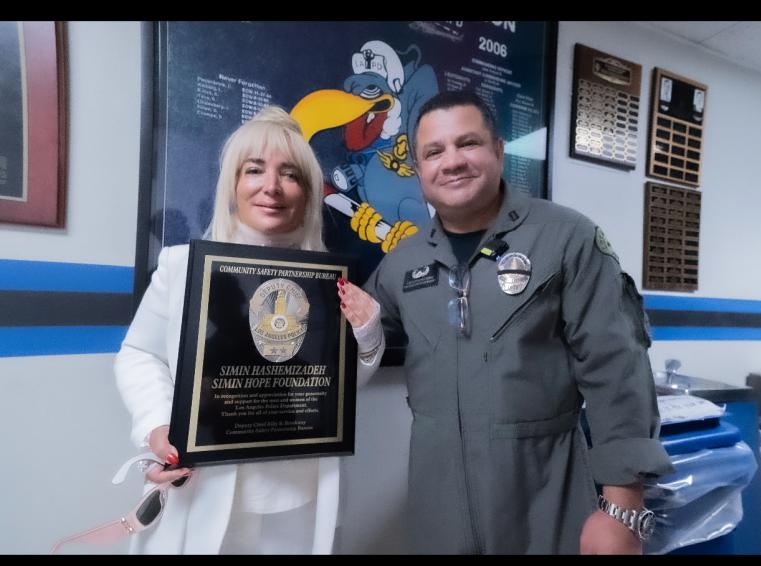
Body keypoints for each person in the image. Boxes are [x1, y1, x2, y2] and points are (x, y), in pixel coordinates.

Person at [342, 90, 675, 554]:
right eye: (434, 152)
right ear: (418, 171)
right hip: (436, 503)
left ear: (498, 151)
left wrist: (622, 508)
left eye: (468, 143)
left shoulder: (566, 238)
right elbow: (355, 342)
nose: (451, 161)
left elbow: (616, 368)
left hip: (546, 497)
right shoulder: (401, 263)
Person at [114, 106, 384, 554]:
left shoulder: (331, 285)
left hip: (297, 491)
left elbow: (338, 391)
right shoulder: (181, 267)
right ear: (233, 186)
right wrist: (156, 425)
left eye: (290, 174)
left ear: (308, 192)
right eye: (254, 170)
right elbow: (139, 353)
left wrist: (369, 332)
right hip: (201, 482)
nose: (271, 187)